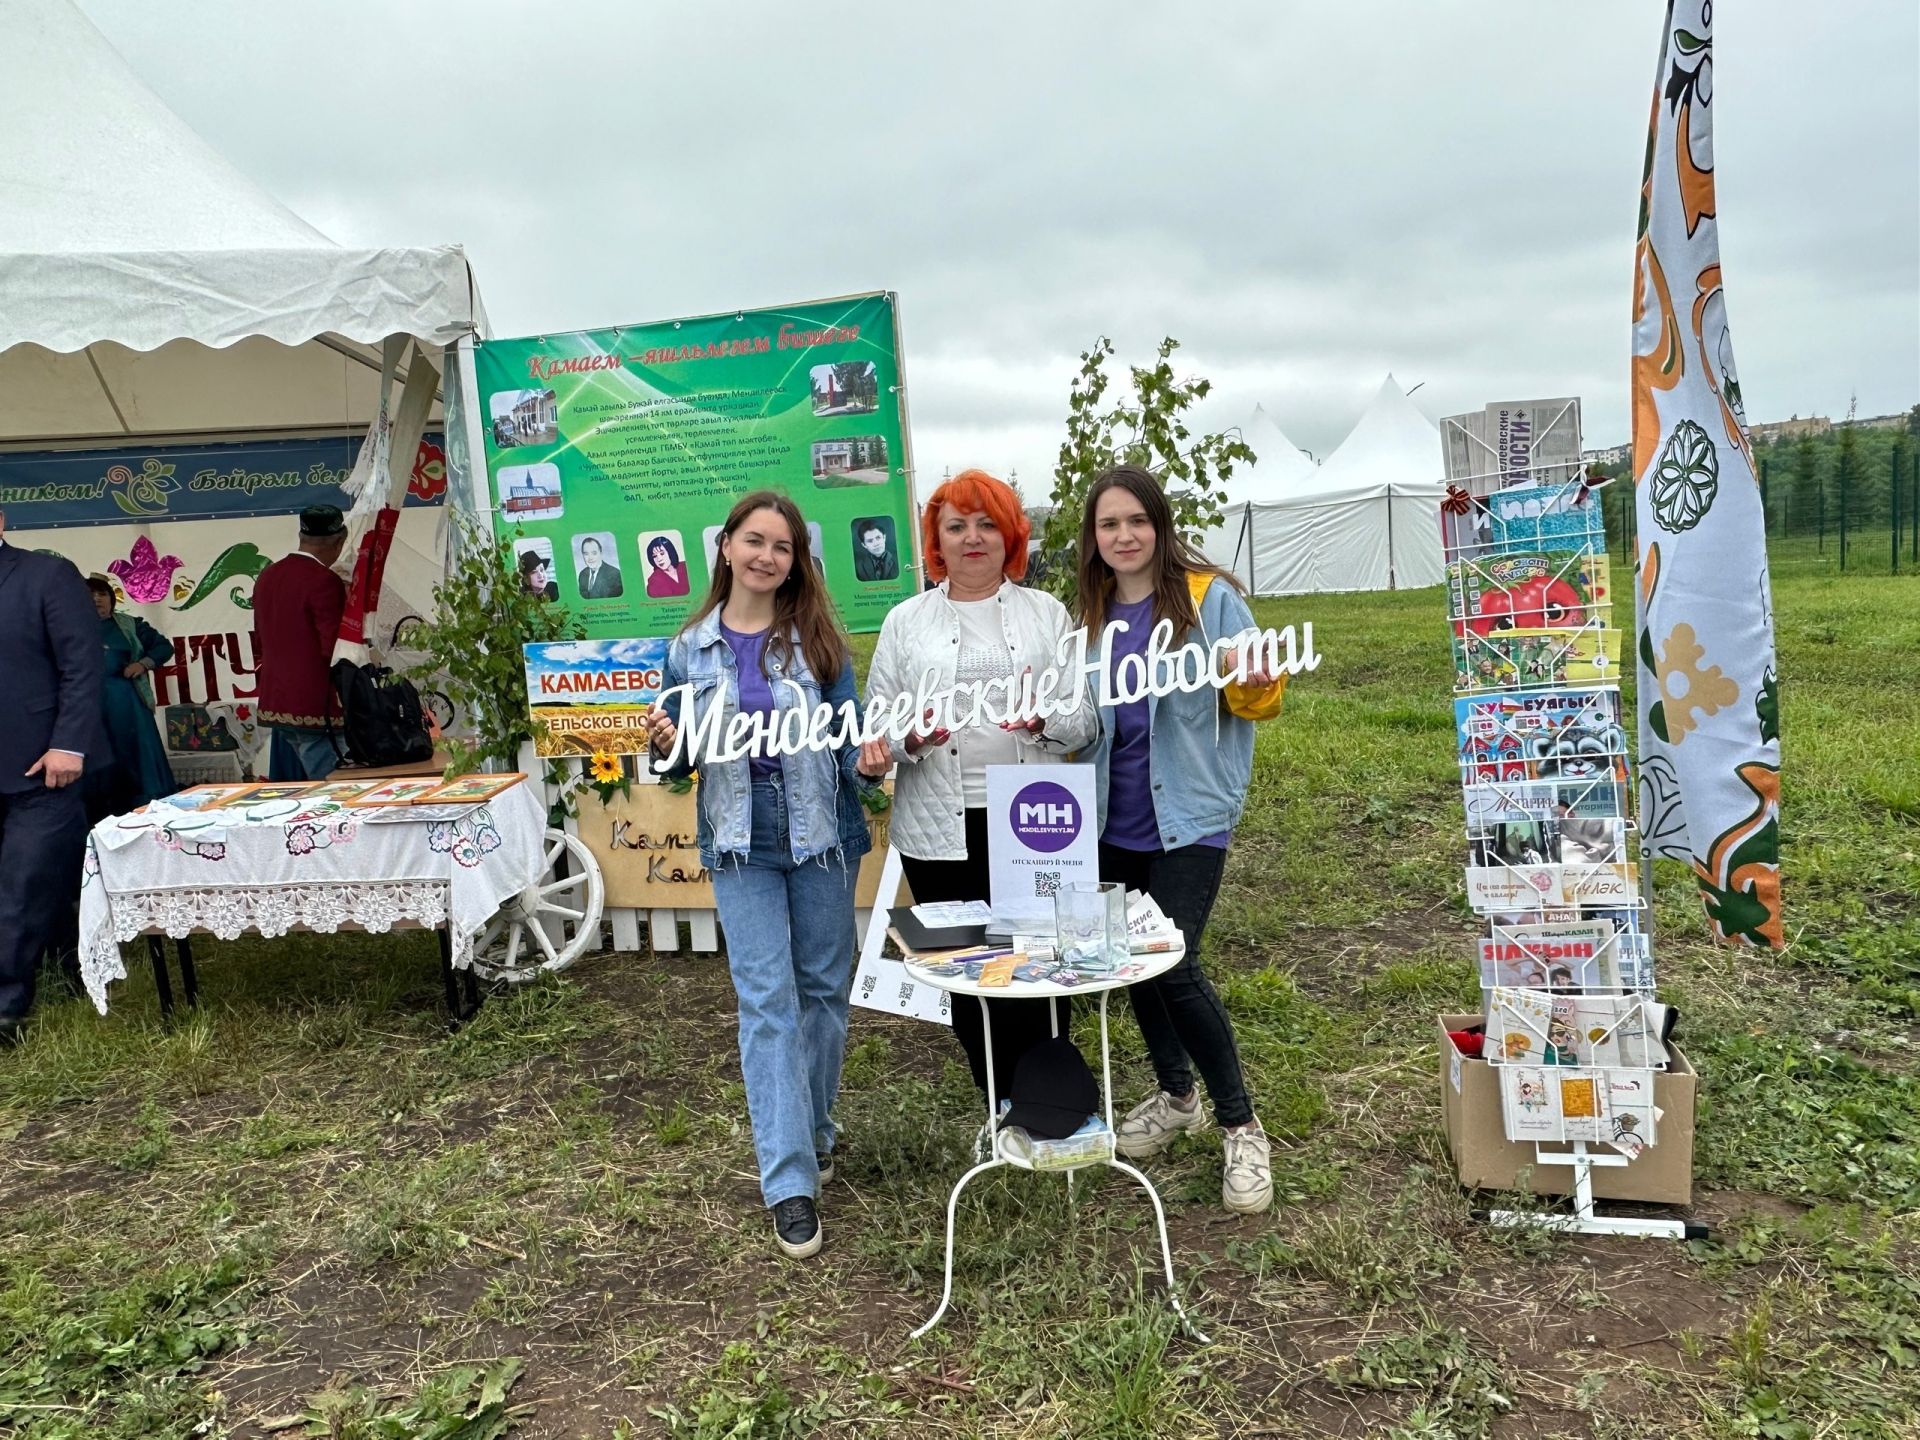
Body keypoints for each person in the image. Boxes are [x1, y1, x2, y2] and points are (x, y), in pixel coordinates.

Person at [645, 491, 872, 1261]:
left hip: (821, 836)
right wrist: (667, 741)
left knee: (821, 996)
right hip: (740, 839)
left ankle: (812, 1130)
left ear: (796, 560)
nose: (767, 556)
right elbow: (677, 766)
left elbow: (851, 746)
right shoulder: (687, 650)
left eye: (783, 546)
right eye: (755, 540)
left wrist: (870, 762)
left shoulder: (819, 642)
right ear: (728, 547)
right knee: (766, 1002)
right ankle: (789, 1183)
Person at [1076, 465, 1287, 1214]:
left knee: (1172, 962)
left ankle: (1240, 1125)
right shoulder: (1091, 617)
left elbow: (1257, 697)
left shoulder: (1209, 600)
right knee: (1133, 967)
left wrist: (1255, 676)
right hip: (1110, 821)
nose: (1124, 536)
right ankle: (1176, 1098)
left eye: (1137, 521)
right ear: (1093, 539)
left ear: (1160, 527)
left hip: (1191, 815)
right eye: (1109, 525)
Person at [858, 469, 1099, 1100]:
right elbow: (877, 722)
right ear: (936, 539)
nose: (972, 538)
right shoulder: (905, 622)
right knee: (969, 973)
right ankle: (1002, 1102)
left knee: (1042, 966)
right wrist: (911, 741)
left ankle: (1052, 1105)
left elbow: (1087, 719)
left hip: (1034, 820)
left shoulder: (1047, 614)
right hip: (941, 827)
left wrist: (1043, 720)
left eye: (987, 524)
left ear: (1011, 534)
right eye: (956, 526)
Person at [0, 507, 104, 1045]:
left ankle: (5, 1008)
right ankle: (74, 967)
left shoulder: (45, 576)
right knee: (51, 882)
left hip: (45, 769)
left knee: (21, 885)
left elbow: (82, 664)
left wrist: (68, 745)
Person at [253, 505, 349, 781]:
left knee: (309, 777)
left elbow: (259, 636)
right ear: (339, 540)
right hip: (316, 702)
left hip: (277, 698)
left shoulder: (267, 575)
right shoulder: (324, 581)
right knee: (339, 783)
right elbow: (333, 647)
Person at [83, 576, 178, 822]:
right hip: (88, 703)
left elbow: (163, 647)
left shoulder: (129, 624)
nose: (96, 600)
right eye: (90, 595)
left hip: (128, 701)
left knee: (137, 756)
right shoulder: (71, 628)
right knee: (100, 760)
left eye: (102, 594)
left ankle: (147, 813)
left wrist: (142, 664)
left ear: (112, 599)